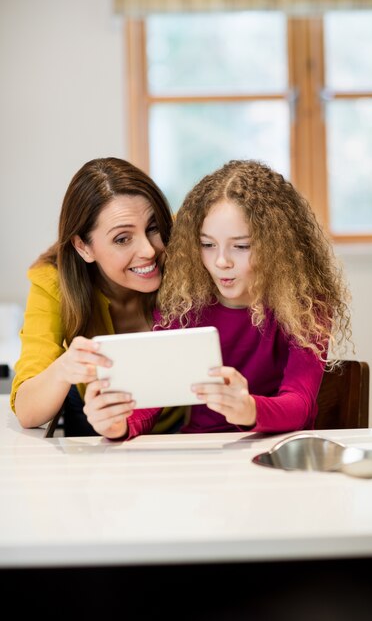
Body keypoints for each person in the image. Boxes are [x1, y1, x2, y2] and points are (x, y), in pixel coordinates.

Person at [84, 159, 352, 440]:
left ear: (278, 247)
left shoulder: (306, 304)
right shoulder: (186, 300)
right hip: (202, 453)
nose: (221, 261)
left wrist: (249, 409)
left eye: (241, 246)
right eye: (207, 244)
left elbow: (300, 404)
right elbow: (150, 402)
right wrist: (119, 424)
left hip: (277, 451)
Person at [11, 157, 184, 436]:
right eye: (122, 239)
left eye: (153, 228)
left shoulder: (184, 246)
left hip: (180, 419)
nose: (149, 251)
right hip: (96, 421)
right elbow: (27, 411)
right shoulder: (52, 281)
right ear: (83, 247)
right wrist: (65, 367)